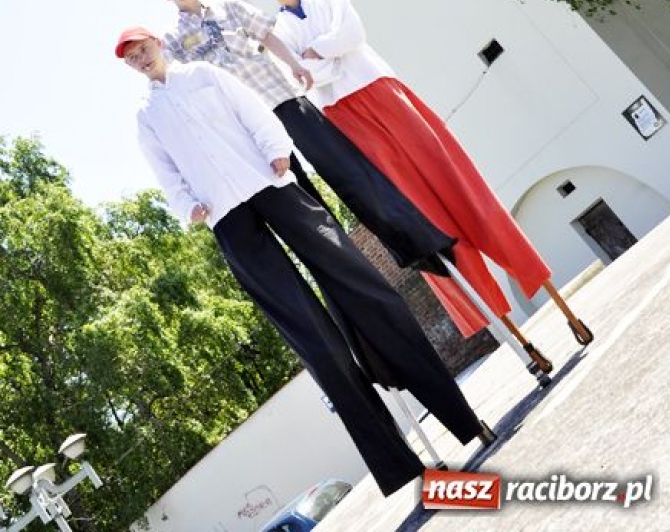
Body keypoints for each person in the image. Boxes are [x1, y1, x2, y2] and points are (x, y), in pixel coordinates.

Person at [115, 26, 494, 496]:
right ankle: (397, 465)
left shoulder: (205, 75)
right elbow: (164, 171)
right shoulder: (146, 116)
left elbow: (253, 113)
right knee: (314, 341)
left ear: (157, 43)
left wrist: (278, 152)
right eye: (131, 57)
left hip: (272, 186)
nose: (140, 58)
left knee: (363, 288)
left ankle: (460, 415)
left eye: (143, 48)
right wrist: (186, 203)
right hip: (227, 219)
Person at [249, 0, 559, 341]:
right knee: (417, 209)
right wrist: (323, 54)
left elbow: (352, 36)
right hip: (343, 114)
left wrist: (318, 53)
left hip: (381, 89)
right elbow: (307, 76)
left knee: (452, 175)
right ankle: (492, 314)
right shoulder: (280, 31)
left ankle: (527, 268)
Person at [157, 0, 477, 286]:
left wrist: (294, 65)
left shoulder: (228, 7)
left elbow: (267, 35)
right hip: (246, 129)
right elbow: (180, 86)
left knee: (345, 168)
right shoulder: (171, 41)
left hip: (278, 97)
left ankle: (414, 241)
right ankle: (349, 276)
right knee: (305, 204)